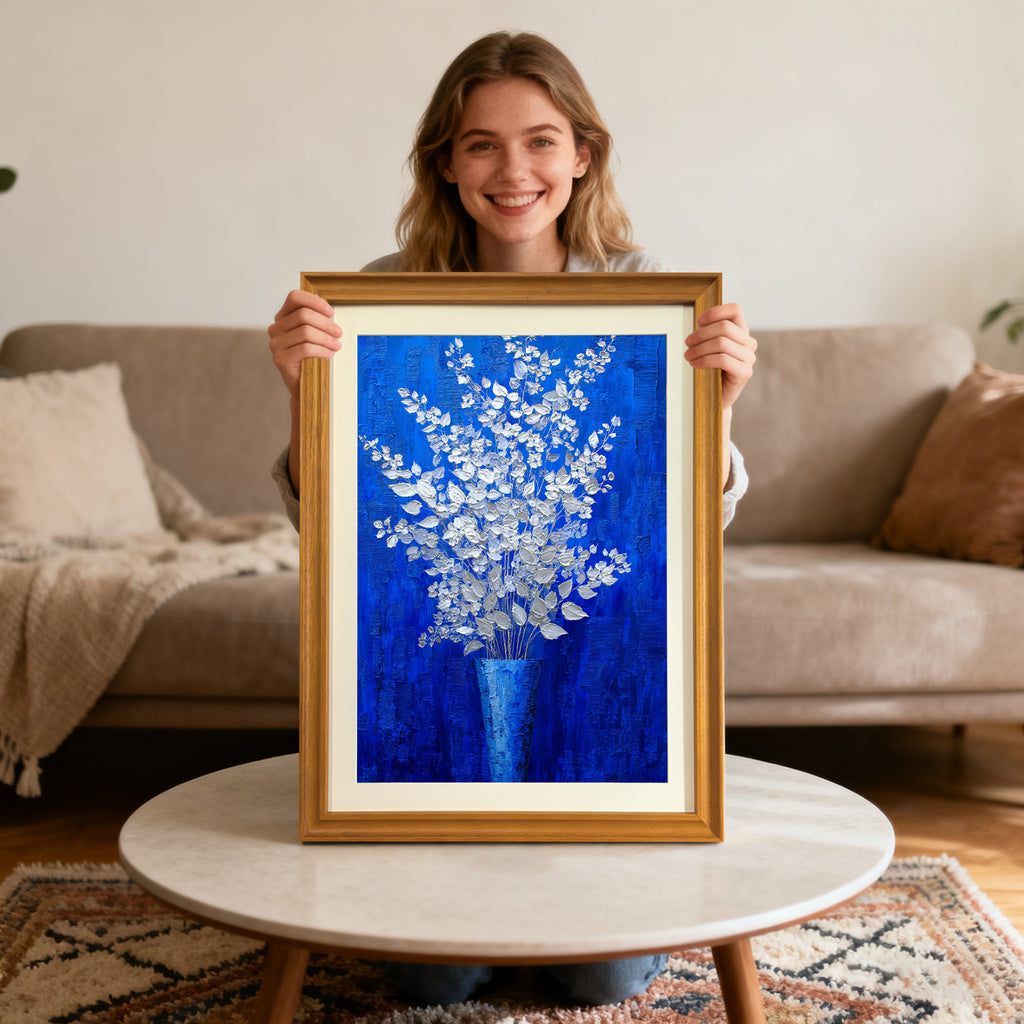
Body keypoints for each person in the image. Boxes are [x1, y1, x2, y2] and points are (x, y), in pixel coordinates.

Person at [267, 30, 756, 1008]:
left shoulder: (642, 296)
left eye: (539, 140)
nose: (512, 170)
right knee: (430, 977)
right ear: (445, 162)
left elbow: (682, 524)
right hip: (430, 662)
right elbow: (336, 525)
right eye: (480, 143)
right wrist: (301, 392)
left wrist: (722, 408)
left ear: (583, 153)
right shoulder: (384, 297)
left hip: (598, 670)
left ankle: (592, 879)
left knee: (592, 978)